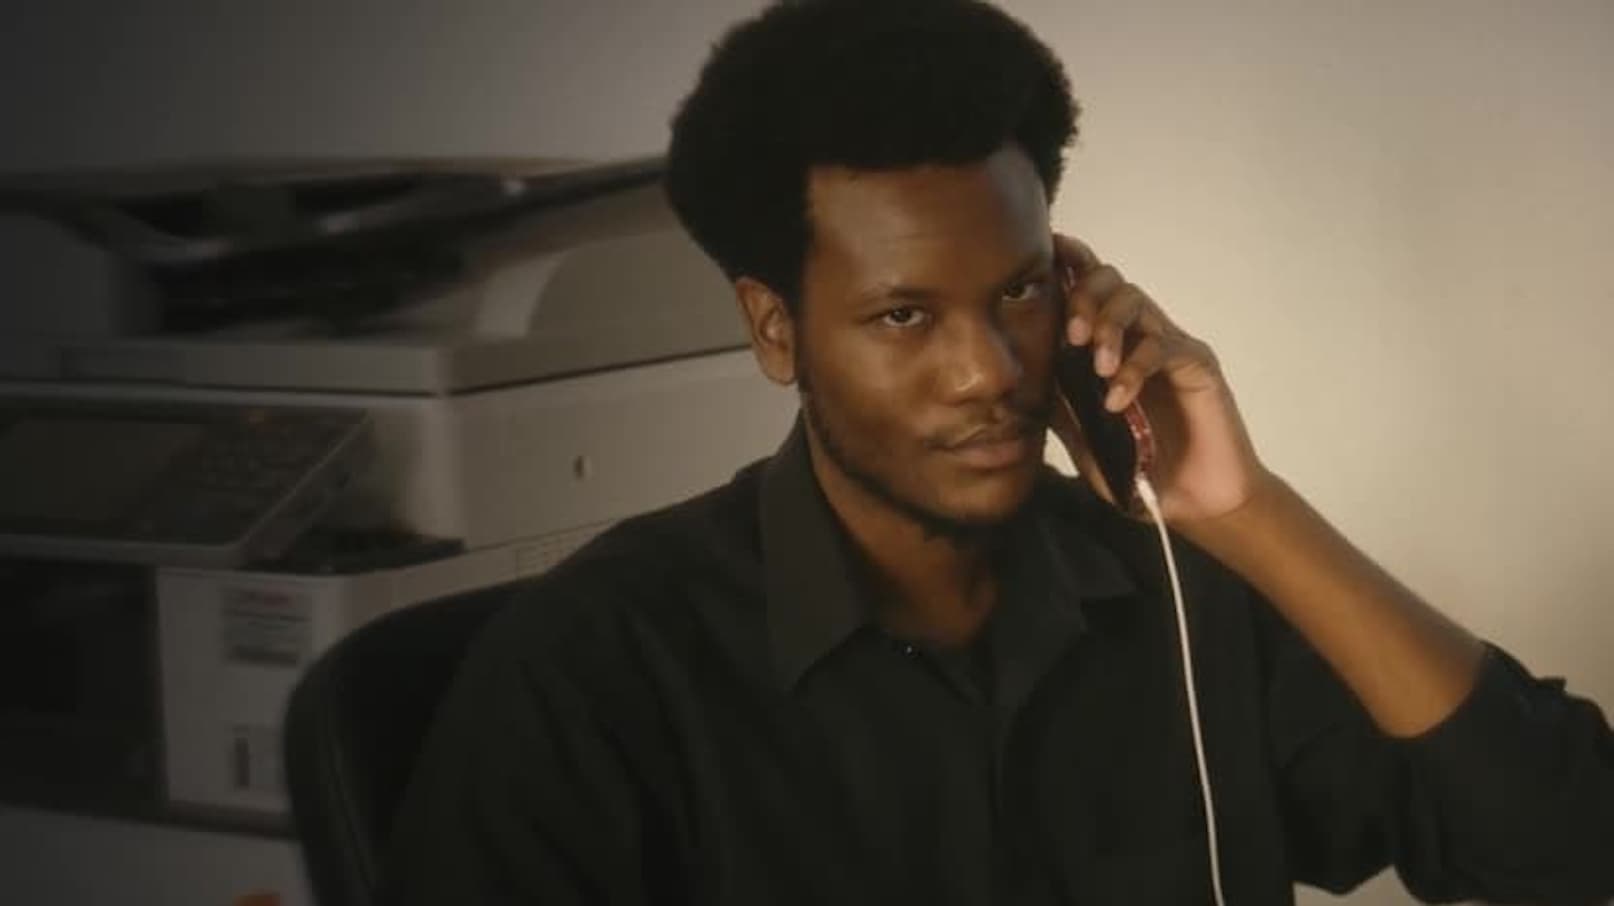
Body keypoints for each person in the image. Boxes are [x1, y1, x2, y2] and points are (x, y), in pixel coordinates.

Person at [380, 1, 1613, 903]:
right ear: (775, 328)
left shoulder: (1179, 600)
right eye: (903, 315)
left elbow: (1569, 846)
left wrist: (1243, 511)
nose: (988, 370)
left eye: (1020, 291)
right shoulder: (592, 672)